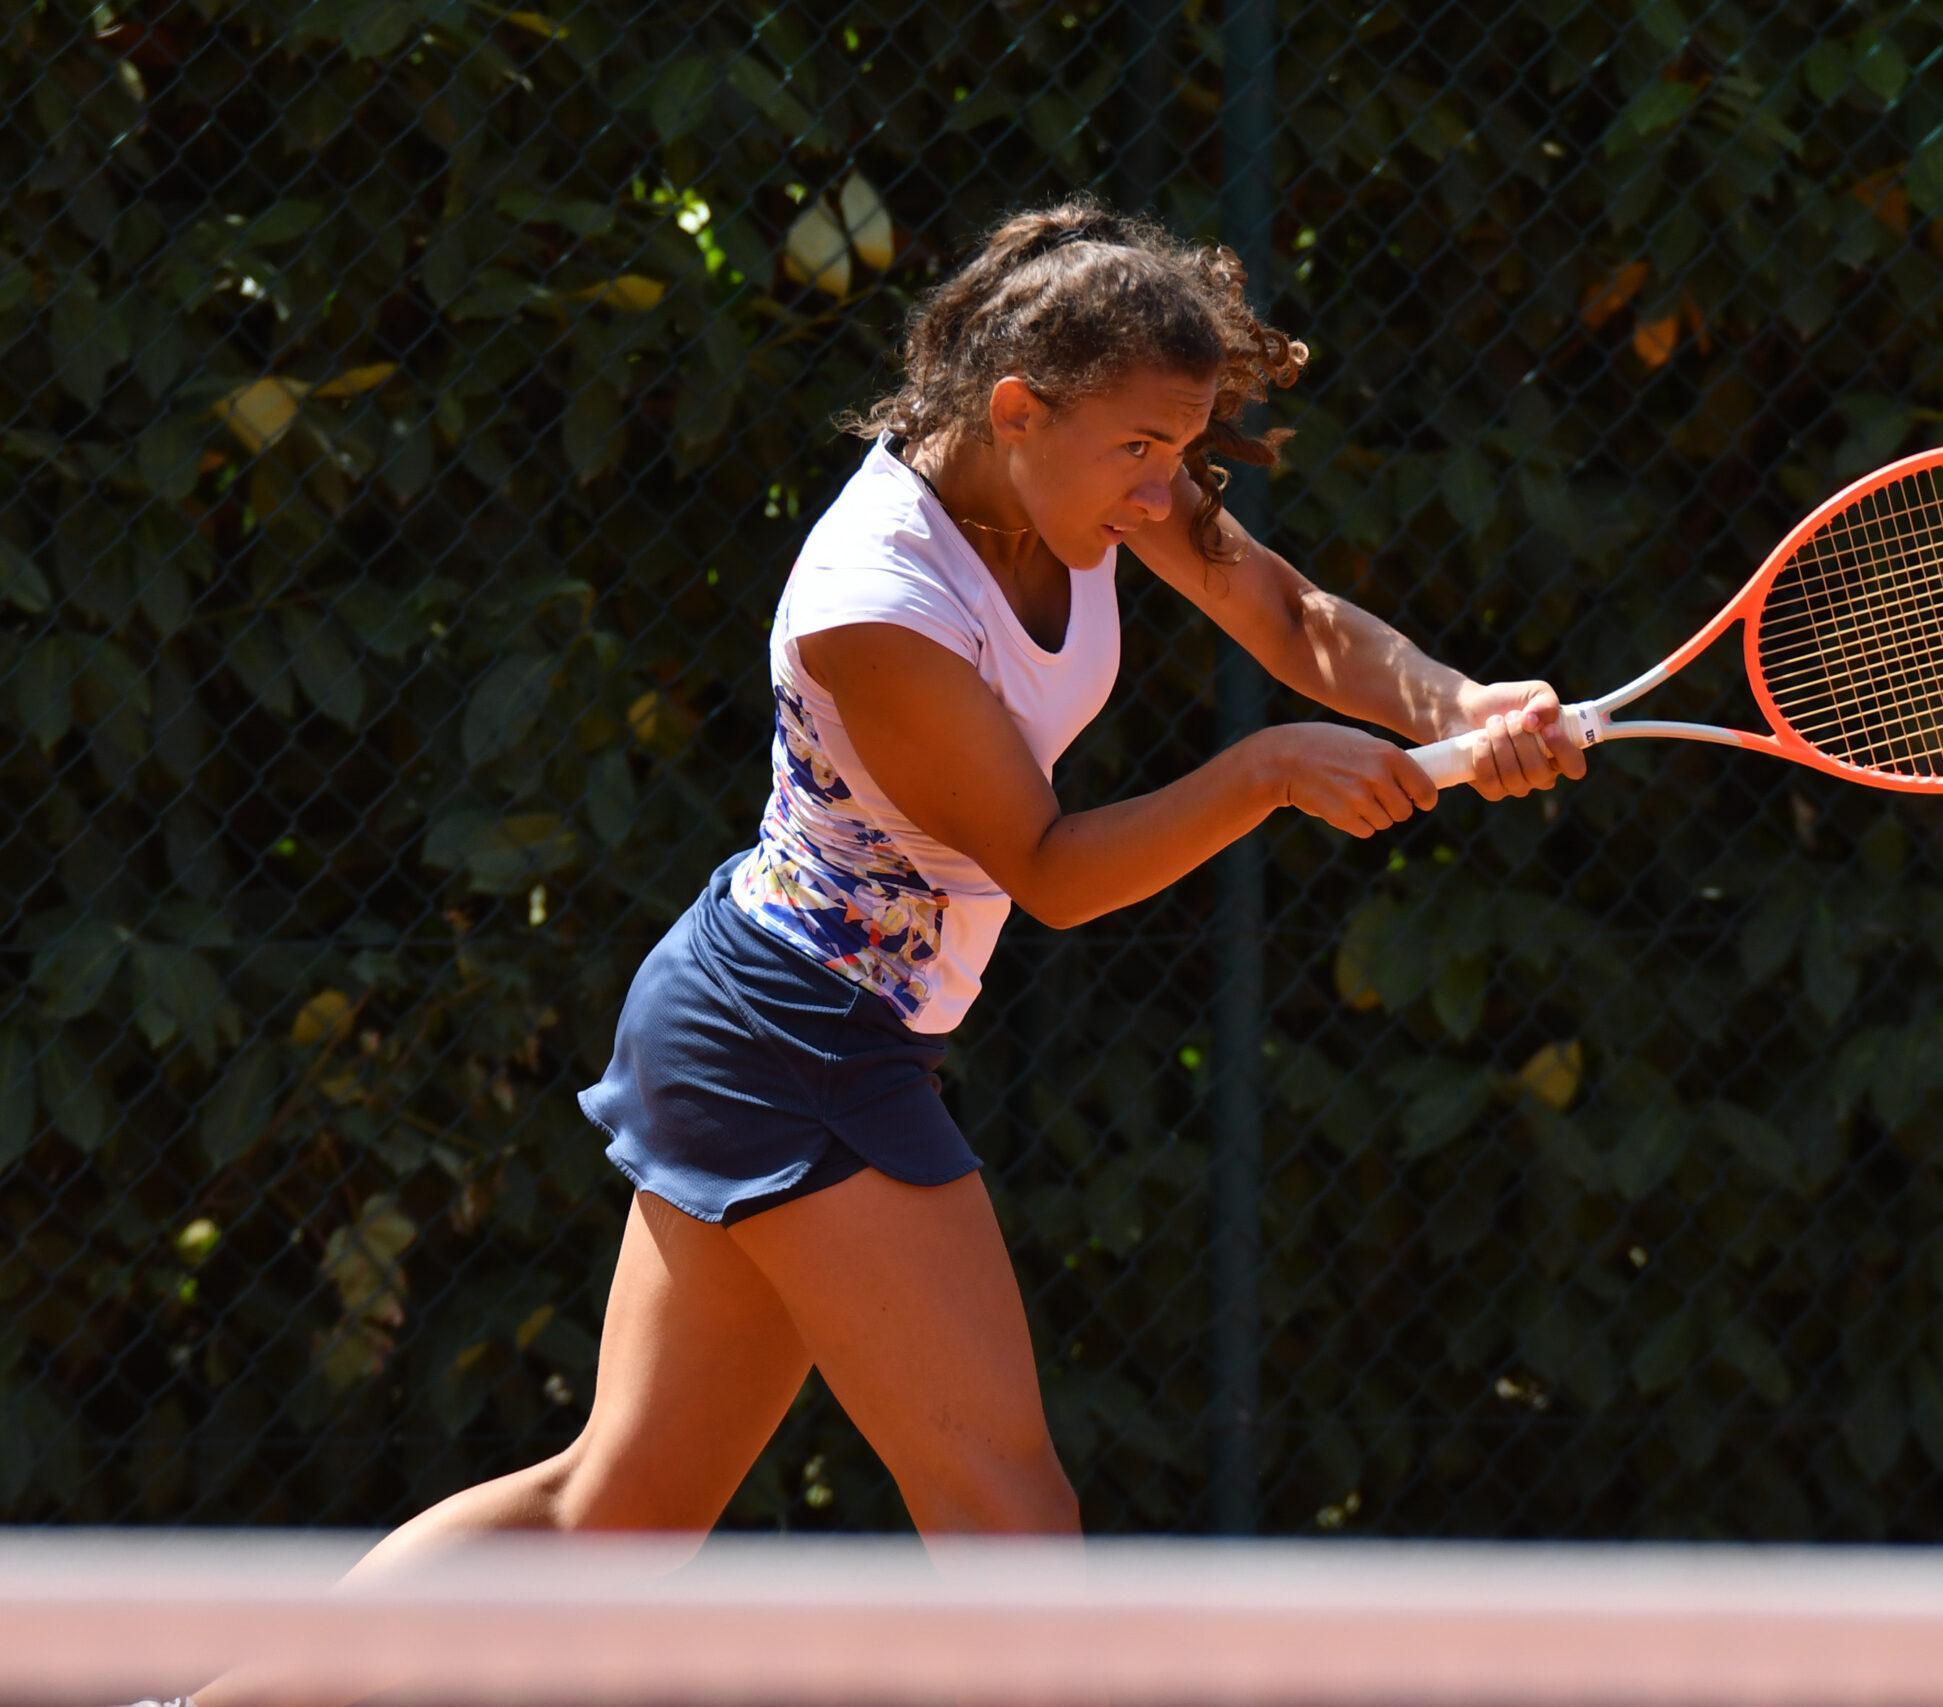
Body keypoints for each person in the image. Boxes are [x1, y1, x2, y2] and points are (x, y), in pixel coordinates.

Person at [160, 198, 1581, 1707]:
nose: (1166, 486)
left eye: (1179, 448)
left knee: (613, 1514)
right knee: (1010, 1519)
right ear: (1017, 409)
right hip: (790, 1040)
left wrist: (1457, 704)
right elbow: (1048, 873)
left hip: (782, 1023)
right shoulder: (877, 604)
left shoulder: (1093, 478)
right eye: (1139, 449)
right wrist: (1267, 772)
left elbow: (1286, 613)